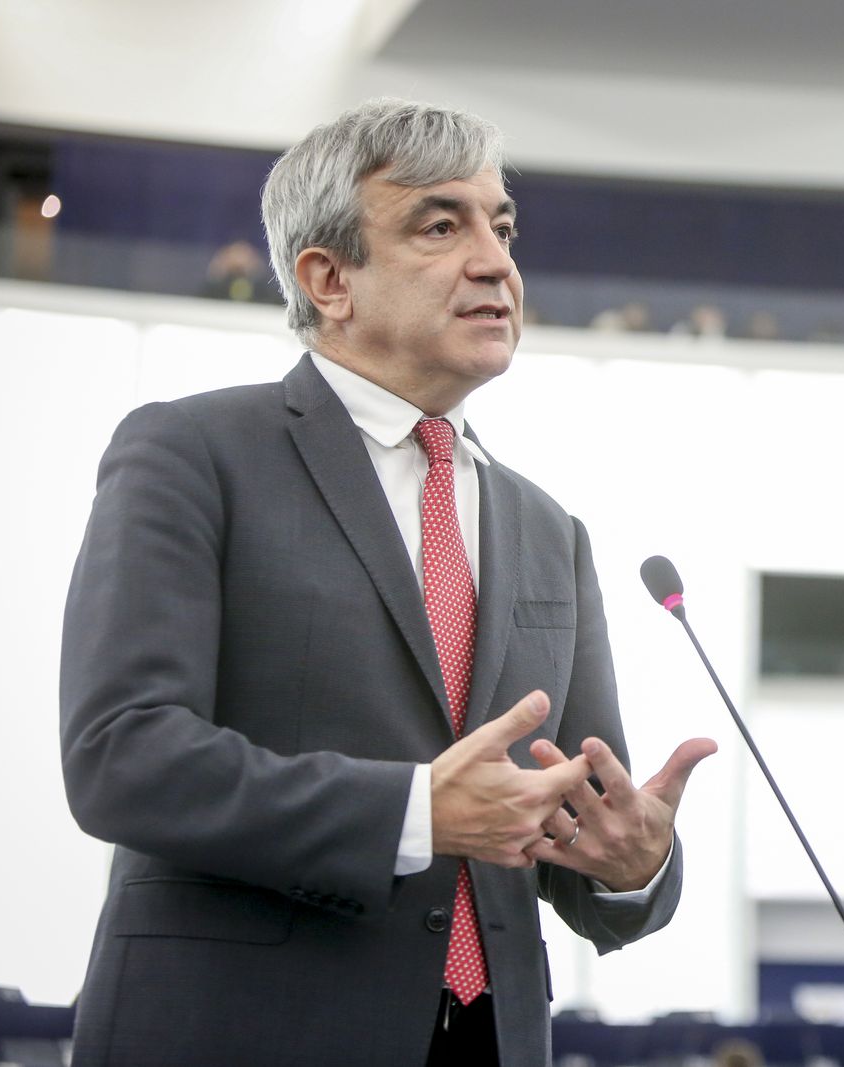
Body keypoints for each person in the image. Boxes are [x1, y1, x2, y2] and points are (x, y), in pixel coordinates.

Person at [59, 99, 716, 1067]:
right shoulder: (192, 451)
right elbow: (122, 755)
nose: (495, 260)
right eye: (440, 225)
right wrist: (412, 809)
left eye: (502, 226)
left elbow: (571, 816)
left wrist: (633, 862)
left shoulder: (548, 531)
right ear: (328, 278)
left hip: (488, 1037)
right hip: (240, 1032)